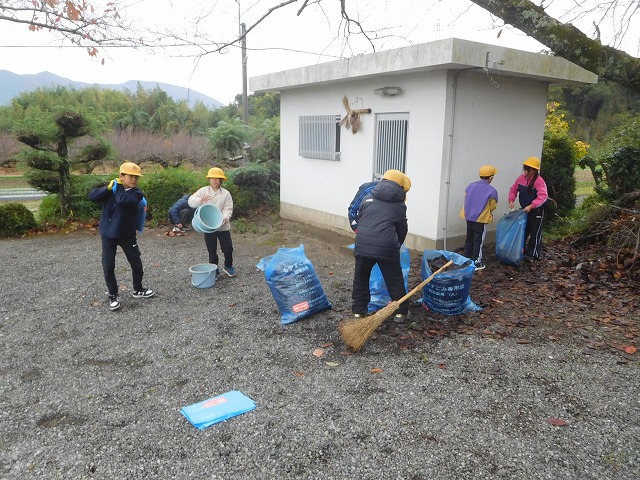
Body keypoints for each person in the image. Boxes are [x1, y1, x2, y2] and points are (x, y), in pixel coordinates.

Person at [89, 162, 155, 311]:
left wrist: (116, 187)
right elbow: (92, 196)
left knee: (136, 263)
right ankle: (113, 295)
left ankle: (138, 289)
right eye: (130, 176)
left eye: (136, 177)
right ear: (121, 176)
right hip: (108, 234)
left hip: (126, 234)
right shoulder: (112, 189)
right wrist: (107, 188)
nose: (134, 179)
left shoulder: (137, 193)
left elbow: (123, 200)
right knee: (108, 266)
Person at [351, 169, 411, 323]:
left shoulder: (368, 197)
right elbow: (402, 229)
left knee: (361, 279)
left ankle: (359, 312)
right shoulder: (399, 205)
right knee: (395, 279)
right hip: (386, 247)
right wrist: (397, 245)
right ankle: (400, 313)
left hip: (362, 245)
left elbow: (361, 219)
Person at [188, 167, 236, 277]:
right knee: (212, 250)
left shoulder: (226, 194)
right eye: (212, 178)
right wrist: (200, 200)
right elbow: (190, 201)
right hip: (208, 226)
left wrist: (225, 218)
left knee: (228, 248)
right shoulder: (203, 191)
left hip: (223, 227)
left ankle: (228, 266)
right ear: (209, 179)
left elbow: (228, 208)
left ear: (221, 180)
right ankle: (214, 269)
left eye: (217, 178)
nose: (214, 180)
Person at [508, 156, 548, 261]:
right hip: (525, 210)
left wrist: (532, 206)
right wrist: (511, 200)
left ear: (534, 171)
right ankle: (521, 251)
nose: (525, 172)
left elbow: (543, 197)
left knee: (535, 233)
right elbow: (513, 189)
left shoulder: (539, 181)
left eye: (528, 171)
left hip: (537, 211)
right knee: (524, 231)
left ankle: (532, 254)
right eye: (525, 169)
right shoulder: (521, 179)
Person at [460, 165, 499, 270]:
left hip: (469, 217)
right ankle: (476, 262)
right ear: (490, 177)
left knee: (469, 238)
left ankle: (467, 259)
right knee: (478, 240)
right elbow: (493, 206)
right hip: (481, 219)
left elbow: (466, 199)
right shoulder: (492, 190)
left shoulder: (470, 186)